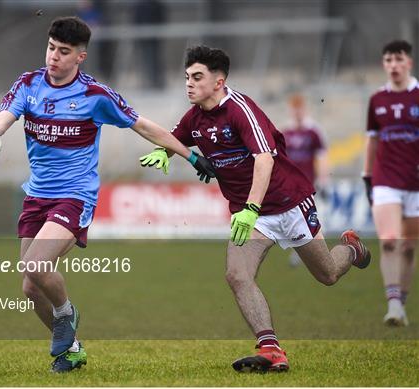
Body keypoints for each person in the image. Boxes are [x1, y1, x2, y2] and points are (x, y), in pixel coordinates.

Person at [0, 17, 215, 373]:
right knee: (29, 287)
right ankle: (71, 348)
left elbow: (143, 125)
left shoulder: (95, 96)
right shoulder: (29, 84)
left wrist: (190, 154)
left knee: (35, 265)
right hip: (37, 195)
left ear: (80, 57)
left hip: (75, 195)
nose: (54, 57)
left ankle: (66, 313)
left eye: (64, 51)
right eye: (51, 48)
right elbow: (3, 120)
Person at [140, 46, 371, 373]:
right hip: (252, 215)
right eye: (187, 77)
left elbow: (265, 158)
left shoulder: (241, 110)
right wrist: (164, 153)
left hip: (287, 202)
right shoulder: (195, 117)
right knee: (237, 274)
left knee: (328, 274)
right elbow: (175, 137)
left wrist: (251, 207)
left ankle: (352, 248)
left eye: (197, 77)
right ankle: (271, 349)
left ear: (219, 82)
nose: (188, 84)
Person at [362, 39, 419, 327]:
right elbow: (372, 139)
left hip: (415, 182)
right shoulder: (377, 100)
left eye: (398, 59)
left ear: (409, 62)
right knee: (388, 240)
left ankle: (402, 302)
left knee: (409, 246)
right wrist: (367, 175)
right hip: (386, 179)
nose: (393, 65)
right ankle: (393, 304)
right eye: (388, 60)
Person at [281, 94, 329, 266]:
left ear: (304, 109)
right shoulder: (285, 132)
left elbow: (322, 156)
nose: (297, 112)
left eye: (299, 108)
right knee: (294, 221)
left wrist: (323, 182)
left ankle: (315, 254)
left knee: (312, 219)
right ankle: (300, 252)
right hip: (290, 186)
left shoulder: (313, 131)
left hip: (309, 184)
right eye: (294, 109)